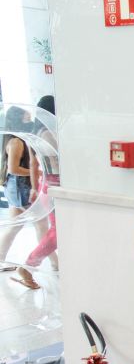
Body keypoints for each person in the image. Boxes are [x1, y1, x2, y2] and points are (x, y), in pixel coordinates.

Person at [14, 95, 60, 290]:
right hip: (56, 185)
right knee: (57, 232)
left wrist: (35, 186)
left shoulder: (35, 131)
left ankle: (33, 266)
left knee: (55, 230)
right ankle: (29, 265)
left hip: (47, 184)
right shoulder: (48, 134)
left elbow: (34, 163)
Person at [0, 106, 35, 272]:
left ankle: (1, 259)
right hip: (20, 188)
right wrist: (36, 172)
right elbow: (14, 169)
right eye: (27, 118)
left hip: (16, 187)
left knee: (16, 226)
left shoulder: (15, 140)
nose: (31, 121)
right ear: (19, 119)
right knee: (38, 225)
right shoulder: (16, 142)